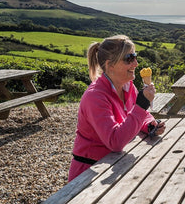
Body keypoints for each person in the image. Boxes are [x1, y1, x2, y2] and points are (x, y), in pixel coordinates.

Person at [68, 35, 165, 181]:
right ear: (110, 65)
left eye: (135, 57)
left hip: (115, 165)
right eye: (129, 59)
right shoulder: (95, 97)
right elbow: (115, 142)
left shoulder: (129, 87)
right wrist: (142, 105)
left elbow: (141, 115)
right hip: (90, 174)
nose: (136, 63)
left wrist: (150, 125)